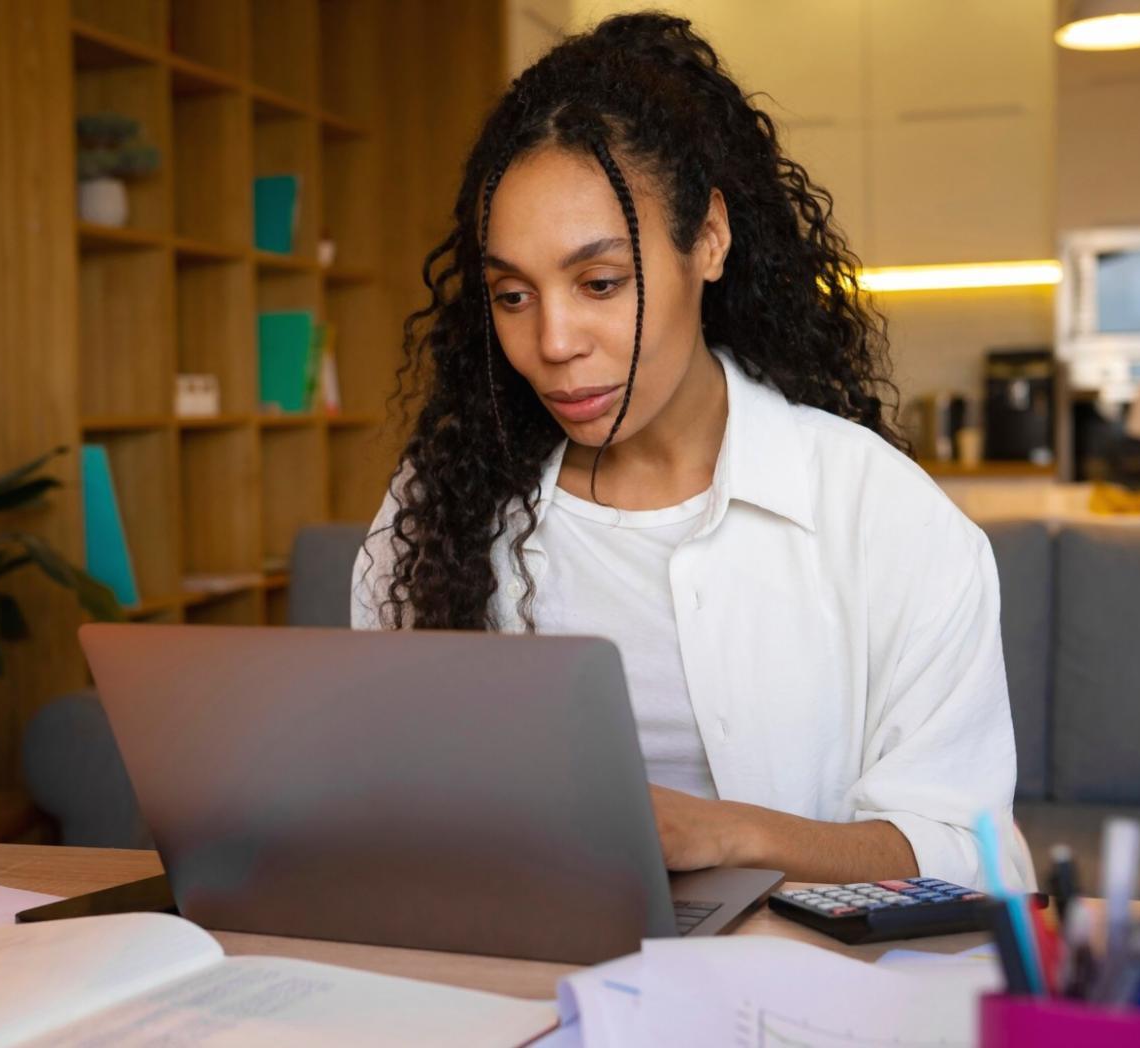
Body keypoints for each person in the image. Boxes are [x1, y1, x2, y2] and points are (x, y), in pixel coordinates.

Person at [351, 12, 1030, 891]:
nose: (553, 341)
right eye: (512, 296)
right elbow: (384, 803)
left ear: (707, 239)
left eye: (600, 283)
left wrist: (726, 834)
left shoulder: (879, 513)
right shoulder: (436, 512)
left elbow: (972, 855)